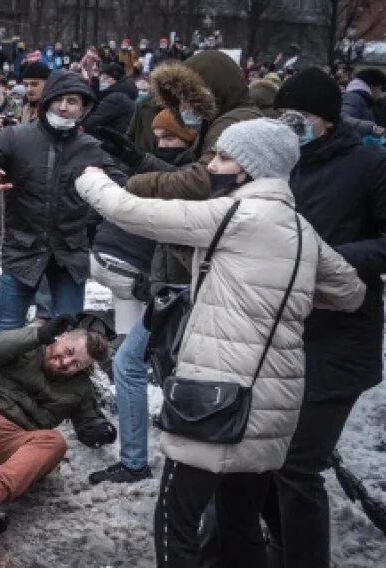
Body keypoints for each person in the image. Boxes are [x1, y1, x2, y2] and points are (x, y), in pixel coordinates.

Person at [75, 117, 366, 567]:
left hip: (215, 396)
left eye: (224, 157)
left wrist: (91, 179)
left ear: (251, 168)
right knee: (239, 519)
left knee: (176, 517)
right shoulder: (301, 229)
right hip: (275, 403)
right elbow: (350, 291)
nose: (213, 165)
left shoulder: (236, 215)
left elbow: (135, 213)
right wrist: (282, 293)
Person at [263, 66, 386, 568]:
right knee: (265, 462)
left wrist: (336, 258)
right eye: (282, 115)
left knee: (295, 467)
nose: (289, 124)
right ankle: (280, 547)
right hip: (279, 335)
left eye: (300, 117)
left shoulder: (368, 166)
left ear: (328, 121)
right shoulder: (278, 164)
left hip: (338, 342)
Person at [90, 51, 262, 484]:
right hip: (180, 272)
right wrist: (139, 160)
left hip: (194, 275)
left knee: (151, 367)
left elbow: (202, 184)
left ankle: (178, 469)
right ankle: (152, 462)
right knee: (145, 364)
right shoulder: (221, 122)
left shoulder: (232, 124)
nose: (183, 108)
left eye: (187, 96)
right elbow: (196, 177)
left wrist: (133, 183)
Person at [0, 70, 126, 335]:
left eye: (73, 101)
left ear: (84, 108)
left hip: (70, 251)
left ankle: (57, 377)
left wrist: (100, 211)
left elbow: (121, 186)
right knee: (6, 331)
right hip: (22, 249)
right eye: (59, 100)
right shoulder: (16, 137)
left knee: (67, 332)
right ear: (47, 101)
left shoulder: (90, 147)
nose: (64, 108)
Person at [0, 316, 114, 534]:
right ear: (61, 337)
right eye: (68, 352)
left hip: (5, 447)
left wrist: (99, 429)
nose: (66, 363)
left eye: (76, 364)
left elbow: (89, 420)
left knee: (55, 442)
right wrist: (38, 334)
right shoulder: (29, 346)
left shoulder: (80, 387)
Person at [90, 109, 196, 340]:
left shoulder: (184, 175)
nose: (162, 144)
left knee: (130, 339)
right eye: (158, 138)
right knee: (139, 343)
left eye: (169, 138)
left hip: (121, 263)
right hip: (130, 263)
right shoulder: (159, 170)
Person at [82, 63, 137, 135]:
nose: (102, 80)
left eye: (106, 78)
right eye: (101, 77)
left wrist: (78, 126)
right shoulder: (123, 92)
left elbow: (92, 122)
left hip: (113, 140)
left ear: (116, 79)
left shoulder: (116, 98)